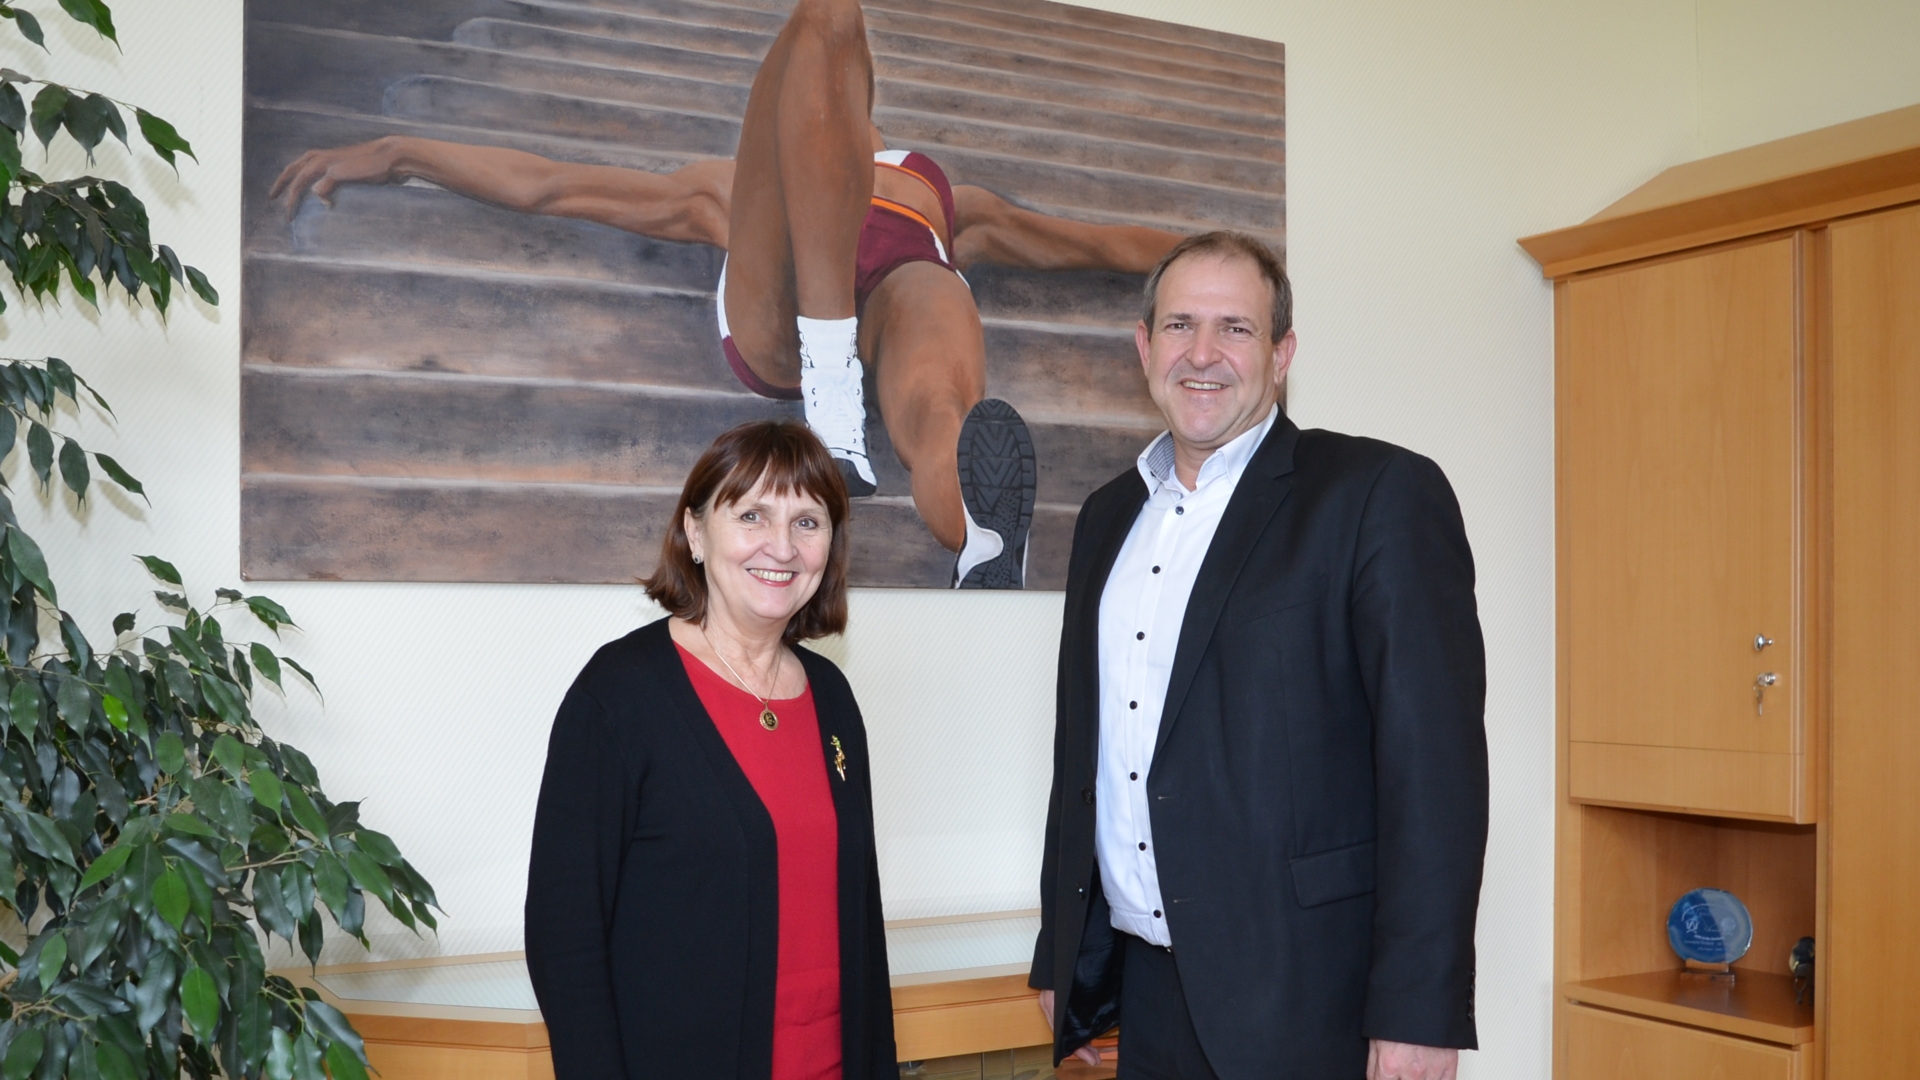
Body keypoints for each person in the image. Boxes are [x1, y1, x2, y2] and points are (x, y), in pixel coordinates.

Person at [270, 0, 1183, 589]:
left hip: (897, 298)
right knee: (830, 9)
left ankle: (982, 543)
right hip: (783, 315)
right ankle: (826, 370)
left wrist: (1233, 259)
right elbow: (551, 183)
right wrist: (398, 154)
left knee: (942, 395)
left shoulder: (938, 191)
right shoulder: (728, 183)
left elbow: (1101, 244)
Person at [1027, 232, 1489, 1080]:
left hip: (1314, 996)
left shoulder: (1375, 495)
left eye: (1235, 329)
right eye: (1180, 327)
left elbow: (1437, 776)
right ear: (1144, 346)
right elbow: (1086, 750)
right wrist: (1065, 952)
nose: (1203, 355)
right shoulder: (1106, 517)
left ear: (1282, 354)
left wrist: (1420, 1012)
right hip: (1152, 989)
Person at [525, 420, 895, 1079]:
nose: (781, 547)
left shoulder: (832, 697)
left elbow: (860, 924)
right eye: (752, 514)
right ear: (696, 533)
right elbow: (564, 937)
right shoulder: (618, 697)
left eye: (807, 522)